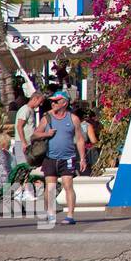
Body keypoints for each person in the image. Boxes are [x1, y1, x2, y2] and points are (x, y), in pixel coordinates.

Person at [37, 91, 87, 225]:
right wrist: (46, 134)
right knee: (50, 187)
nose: (53, 103)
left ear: (64, 103)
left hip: (68, 157)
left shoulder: (73, 118)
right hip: (50, 157)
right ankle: (50, 214)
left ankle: (70, 215)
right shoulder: (46, 118)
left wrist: (82, 158)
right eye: (52, 101)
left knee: (68, 185)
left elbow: (80, 139)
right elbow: (35, 135)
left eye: (56, 101)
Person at [14, 90, 47, 167]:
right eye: (40, 101)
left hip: (29, 143)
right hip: (23, 143)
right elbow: (19, 126)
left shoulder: (31, 110)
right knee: (23, 166)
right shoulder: (25, 110)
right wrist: (23, 142)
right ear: (35, 98)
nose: (41, 104)